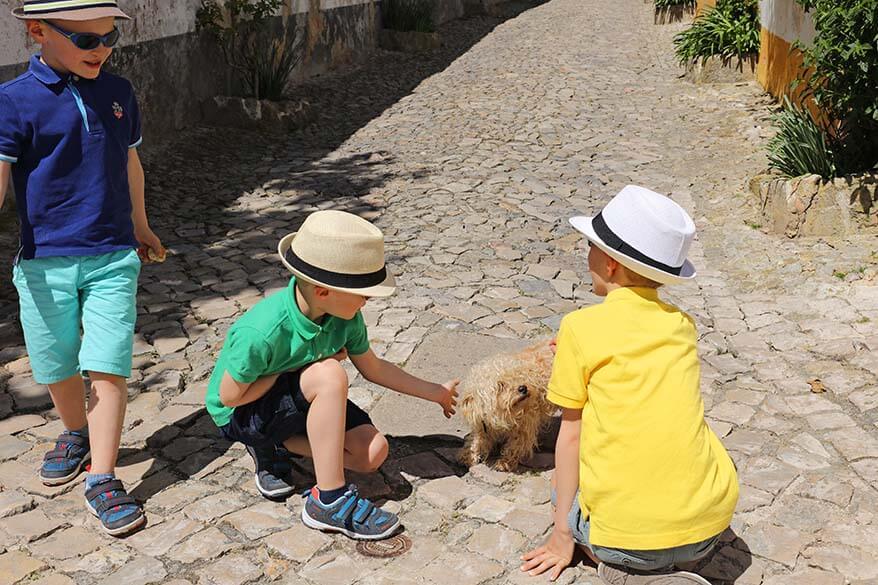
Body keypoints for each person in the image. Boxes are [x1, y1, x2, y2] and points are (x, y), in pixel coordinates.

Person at [0, 0, 164, 536]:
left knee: (108, 364)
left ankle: (103, 475)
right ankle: (75, 431)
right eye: (87, 40)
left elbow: (129, 160)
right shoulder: (13, 102)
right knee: (55, 365)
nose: (103, 50)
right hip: (44, 263)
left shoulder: (119, 93)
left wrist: (140, 224)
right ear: (37, 33)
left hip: (113, 255)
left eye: (109, 37)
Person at [521, 186, 739, 584]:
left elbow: (570, 436)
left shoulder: (579, 327)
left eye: (590, 247)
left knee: (561, 483)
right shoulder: (682, 325)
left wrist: (560, 534)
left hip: (627, 544)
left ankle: (629, 575)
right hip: (709, 528)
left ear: (609, 265)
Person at [205, 210, 459, 540]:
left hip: (296, 401)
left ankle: (279, 445)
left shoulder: (344, 316)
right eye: (364, 293)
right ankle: (328, 499)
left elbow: (375, 368)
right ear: (325, 292)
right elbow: (230, 397)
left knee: (372, 453)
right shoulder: (262, 331)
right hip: (243, 412)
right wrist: (297, 368)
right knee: (328, 374)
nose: (368, 300)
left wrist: (436, 392)